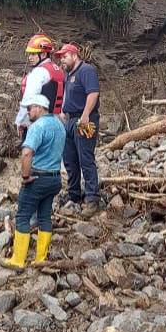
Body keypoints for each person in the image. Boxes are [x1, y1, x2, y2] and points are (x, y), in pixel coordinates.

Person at [4, 94, 66, 270]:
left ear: (39, 107)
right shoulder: (58, 124)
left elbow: (26, 153)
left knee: (23, 217)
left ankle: (18, 260)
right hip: (54, 178)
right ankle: (41, 258)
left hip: (38, 178)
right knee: (45, 217)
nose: (28, 111)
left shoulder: (37, 127)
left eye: (30, 108)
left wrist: (25, 176)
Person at [55, 43, 101, 214]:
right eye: (60, 57)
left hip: (83, 119)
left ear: (74, 55)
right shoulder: (68, 74)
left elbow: (93, 93)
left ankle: (92, 198)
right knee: (70, 160)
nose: (62, 60)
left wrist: (86, 114)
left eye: (64, 56)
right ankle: (74, 194)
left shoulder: (86, 70)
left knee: (85, 159)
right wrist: (62, 111)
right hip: (69, 120)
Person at [15, 34, 64, 138]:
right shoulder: (58, 70)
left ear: (43, 55)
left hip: (38, 126)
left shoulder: (39, 72)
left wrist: (20, 122)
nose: (29, 57)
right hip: (56, 124)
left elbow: (29, 99)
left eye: (33, 54)